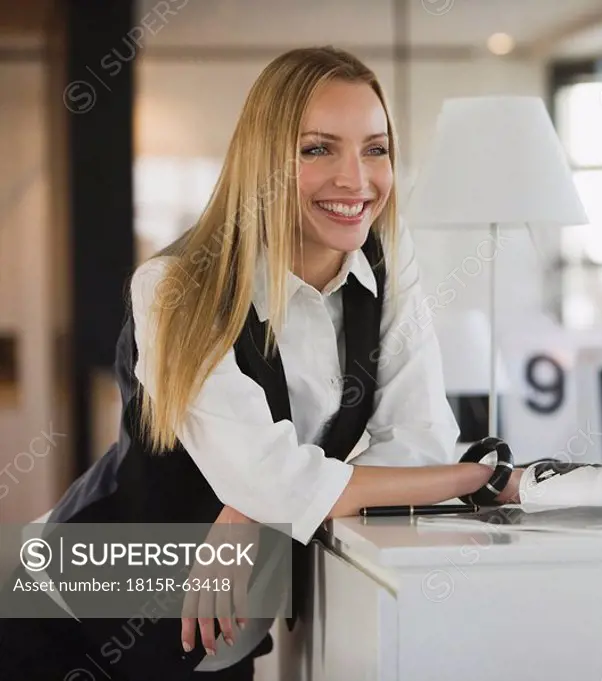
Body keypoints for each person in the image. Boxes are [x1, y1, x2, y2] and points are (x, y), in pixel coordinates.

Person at [0, 46, 521, 681]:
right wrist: (470, 479)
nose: (356, 180)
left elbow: (420, 437)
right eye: (317, 148)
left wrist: (255, 501)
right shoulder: (172, 289)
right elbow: (284, 480)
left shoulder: (387, 257)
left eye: (376, 148)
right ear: (264, 159)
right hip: (73, 597)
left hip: (224, 624)